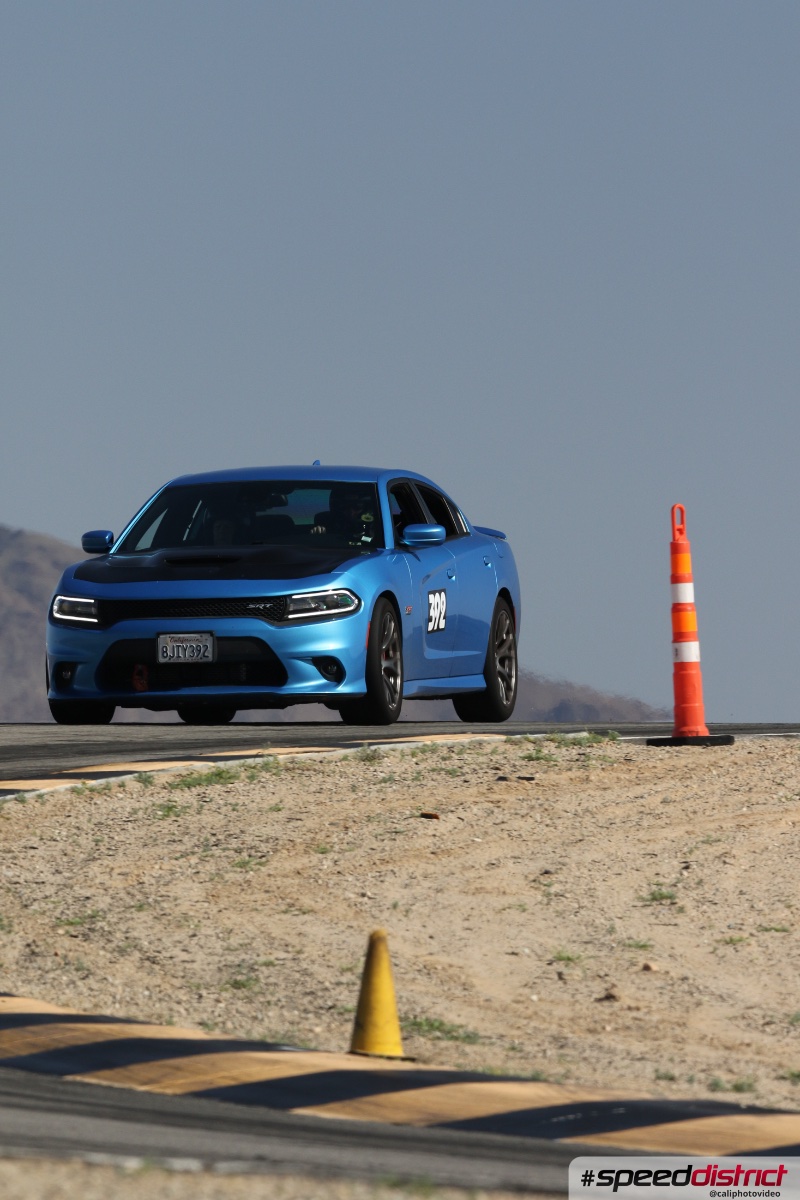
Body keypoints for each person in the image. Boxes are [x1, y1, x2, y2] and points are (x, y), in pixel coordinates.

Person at [310, 486, 375, 546]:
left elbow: (374, 542)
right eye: (345, 507)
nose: (351, 512)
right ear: (337, 508)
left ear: (365, 508)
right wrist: (318, 534)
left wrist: (366, 536)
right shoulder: (328, 523)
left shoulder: (375, 525)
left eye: (357, 507)